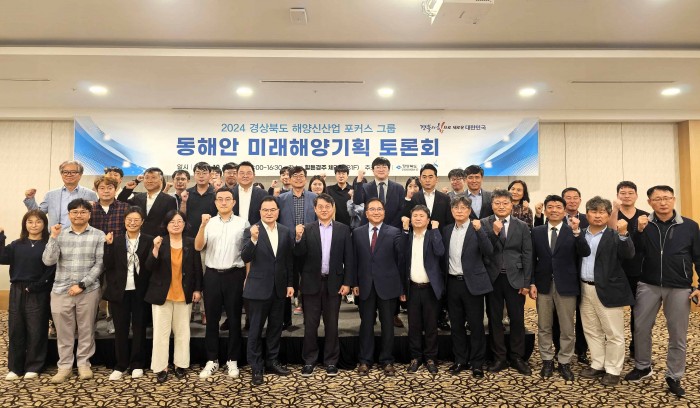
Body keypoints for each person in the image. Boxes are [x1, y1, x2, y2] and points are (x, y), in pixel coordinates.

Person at [624, 185, 700, 397]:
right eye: (657, 199)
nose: (663, 202)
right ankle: (643, 367)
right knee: (640, 328)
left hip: (679, 286)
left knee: (677, 334)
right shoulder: (642, 223)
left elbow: (698, 256)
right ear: (649, 203)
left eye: (667, 198)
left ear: (674, 199)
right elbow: (632, 252)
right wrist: (638, 231)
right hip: (648, 284)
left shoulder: (690, 226)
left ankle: (674, 375)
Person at [42, 198, 106, 383]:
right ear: (69, 214)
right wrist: (53, 237)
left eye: (83, 212)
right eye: (75, 212)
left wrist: (82, 284)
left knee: (87, 328)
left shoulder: (98, 235)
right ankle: (64, 367)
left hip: (88, 290)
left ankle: (84, 364)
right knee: (63, 331)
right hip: (61, 289)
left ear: (89, 214)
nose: (79, 215)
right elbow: (48, 261)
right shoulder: (59, 234)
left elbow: (100, 264)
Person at [530, 195, 590, 381]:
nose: (554, 210)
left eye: (558, 207)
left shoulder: (573, 230)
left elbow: (585, 252)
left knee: (567, 327)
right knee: (544, 326)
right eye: (550, 207)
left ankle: (565, 361)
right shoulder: (537, 231)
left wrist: (577, 232)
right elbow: (531, 259)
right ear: (545, 210)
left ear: (564, 211)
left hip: (567, 285)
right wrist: (532, 282)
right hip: (543, 285)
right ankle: (547, 360)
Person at [294, 193, 354, 377]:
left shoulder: (343, 229)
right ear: (315, 209)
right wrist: (298, 238)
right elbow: (298, 256)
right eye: (320, 206)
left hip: (334, 284)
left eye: (327, 206)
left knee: (332, 324)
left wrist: (347, 283)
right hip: (311, 283)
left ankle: (331, 361)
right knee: (310, 325)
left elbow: (349, 258)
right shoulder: (307, 229)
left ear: (333, 208)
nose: (324, 209)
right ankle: (309, 360)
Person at [578, 196, 635, 386]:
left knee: (613, 333)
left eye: (602, 212)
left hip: (609, 289)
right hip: (584, 288)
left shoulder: (615, 234)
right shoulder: (579, 234)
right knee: (591, 330)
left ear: (609, 215)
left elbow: (628, 254)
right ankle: (598, 364)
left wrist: (624, 234)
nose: (597, 215)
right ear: (587, 214)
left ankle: (613, 369)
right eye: (593, 211)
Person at [195, 187, 249, 380]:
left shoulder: (243, 223)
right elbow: (198, 246)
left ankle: (232, 359)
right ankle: (212, 359)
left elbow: (247, 253)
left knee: (234, 319)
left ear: (234, 202)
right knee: (211, 319)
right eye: (220, 199)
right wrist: (202, 226)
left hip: (235, 275)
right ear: (215, 202)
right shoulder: (208, 223)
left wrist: (247, 277)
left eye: (227, 199)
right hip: (212, 275)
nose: (224, 202)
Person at [241, 197, 295, 386]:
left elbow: (288, 261)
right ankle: (256, 366)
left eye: (272, 210)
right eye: (265, 210)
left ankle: (272, 361)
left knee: (275, 328)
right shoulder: (252, 230)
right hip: (257, 289)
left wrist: (290, 284)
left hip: (279, 289)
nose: (269, 213)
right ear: (260, 212)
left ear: (278, 212)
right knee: (255, 329)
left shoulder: (285, 231)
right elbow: (245, 256)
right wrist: (253, 239)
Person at [145, 210, 203, 383]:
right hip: (162, 294)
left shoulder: (191, 242)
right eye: (172, 222)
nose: (176, 224)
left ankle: (180, 364)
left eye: (179, 221)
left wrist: (198, 289)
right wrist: (155, 248)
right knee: (160, 333)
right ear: (166, 224)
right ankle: (161, 367)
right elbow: (149, 267)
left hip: (184, 292)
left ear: (185, 224)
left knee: (183, 331)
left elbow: (197, 268)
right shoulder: (159, 241)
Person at [480, 189, 533, 376]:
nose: (501, 206)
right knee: (494, 320)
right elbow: (483, 250)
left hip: (515, 278)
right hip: (492, 278)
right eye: (497, 203)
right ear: (492, 205)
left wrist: (526, 282)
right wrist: (494, 233)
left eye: (505, 203)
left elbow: (527, 254)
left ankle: (517, 357)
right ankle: (499, 357)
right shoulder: (484, 223)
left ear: (512, 205)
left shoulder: (522, 225)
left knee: (517, 319)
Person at [0, 210, 55, 380]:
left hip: (38, 290)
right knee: (16, 329)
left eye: (38, 222)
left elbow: (51, 270)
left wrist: (36, 287)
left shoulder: (48, 244)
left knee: (36, 328)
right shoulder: (17, 244)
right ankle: (15, 368)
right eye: (30, 222)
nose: (34, 225)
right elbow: (2, 257)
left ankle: (34, 366)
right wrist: (1, 236)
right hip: (17, 289)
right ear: (25, 224)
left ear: (44, 224)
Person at [442, 196, 493, 378]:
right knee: (456, 325)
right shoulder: (447, 230)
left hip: (473, 284)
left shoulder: (477, 227)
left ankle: (477, 363)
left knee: (476, 325)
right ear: (451, 211)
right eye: (456, 207)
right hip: (452, 283)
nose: (459, 211)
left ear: (469, 211)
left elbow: (489, 251)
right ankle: (460, 360)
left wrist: (479, 231)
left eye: (463, 208)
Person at [353, 198, 404, 376]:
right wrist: (354, 283)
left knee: (388, 325)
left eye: (379, 209)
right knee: (366, 324)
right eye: (372, 209)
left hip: (388, 286)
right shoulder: (357, 233)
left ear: (384, 212)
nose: (376, 212)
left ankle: (387, 360)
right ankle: (365, 360)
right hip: (365, 285)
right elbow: (354, 260)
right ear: (366, 213)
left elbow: (400, 260)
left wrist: (401, 287)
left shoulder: (395, 232)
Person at [102, 207, 154, 380]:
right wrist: (108, 246)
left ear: (142, 222)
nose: (132, 223)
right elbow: (108, 265)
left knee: (139, 328)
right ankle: (121, 365)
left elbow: (150, 267)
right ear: (124, 221)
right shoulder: (116, 241)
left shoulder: (149, 240)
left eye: (136, 220)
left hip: (140, 291)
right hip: (119, 292)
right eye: (129, 220)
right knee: (120, 329)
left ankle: (137, 364)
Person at [402, 205, 444, 375]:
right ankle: (415, 358)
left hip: (430, 289)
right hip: (412, 288)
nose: (418, 218)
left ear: (428, 220)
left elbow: (440, 251)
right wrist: (405, 230)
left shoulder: (433, 235)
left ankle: (431, 358)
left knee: (431, 325)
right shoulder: (408, 237)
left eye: (421, 216)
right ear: (411, 219)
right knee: (414, 325)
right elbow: (400, 255)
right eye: (415, 216)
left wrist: (435, 230)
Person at [611, 180, 648, 357]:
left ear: (636, 195)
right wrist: (614, 211)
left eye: (630, 193)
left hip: (638, 272)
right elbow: (610, 238)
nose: (626, 196)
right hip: (616, 271)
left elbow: (644, 245)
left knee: (638, 313)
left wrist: (640, 230)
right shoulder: (612, 214)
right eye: (623, 193)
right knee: (612, 313)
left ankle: (636, 348)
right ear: (617, 195)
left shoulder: (645, 216)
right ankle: (614, 349)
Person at [278, 166, 317, 327]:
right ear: (290, 178)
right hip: (287, 246)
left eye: (301, 176)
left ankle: (309, 319)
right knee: (287, 282)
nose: (298, 178)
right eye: (295, 176)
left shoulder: (314, 197)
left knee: (308, 284)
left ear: (306, 179)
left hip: (309, 246)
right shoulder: (281, 198)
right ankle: (286, 320)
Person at [24, 160, 98, 227]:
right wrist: (30, 199)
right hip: (56, 234)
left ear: (80, 175)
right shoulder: (50, 195)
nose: (69, 175)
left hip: (82, 235)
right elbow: (38, 215)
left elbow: (97, 217)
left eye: (73, 172)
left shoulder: (90, 194)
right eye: (65, 172)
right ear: (61, 174)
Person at [117, 167, 178, 237]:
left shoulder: (170, 200)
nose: (149, 181)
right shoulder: (138, 197)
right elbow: (120, 202)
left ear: (161, 180)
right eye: (147, 178)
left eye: (153, 177)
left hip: (158, 239)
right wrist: (129, 188)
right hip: (138, 238)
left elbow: (171, 222)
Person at [353, 157, 406, 228]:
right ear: (373, 170)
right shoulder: (365, 187)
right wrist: (359, 180)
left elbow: (401, 210)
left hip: (393, 228)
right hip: (370, 227)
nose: (381, 170)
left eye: (384, 167)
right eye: (378, 167)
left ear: (389, 170)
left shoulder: (399, 188)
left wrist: (390, 228)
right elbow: (357, 201)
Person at [402, 164, 454, 229]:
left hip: (440, 234)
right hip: (419, 234)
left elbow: (449, 221)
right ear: (420, 179)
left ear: (436, 179)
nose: (427, 180)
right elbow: (409, 219)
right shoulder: (414, 197)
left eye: (430, 177)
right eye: (424, 177)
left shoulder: (445, 198)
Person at [182, 162, 218, 238]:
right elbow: (182, 215)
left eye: (204, 173)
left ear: (210, 175)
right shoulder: (187, 193)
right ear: (194, 175)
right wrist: (184, 202)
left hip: (211, 235)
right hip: (190, 236)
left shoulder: (216, 193)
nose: (201, 176)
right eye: (198, 173)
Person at [232, 161, 268, 225]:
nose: (245, 176)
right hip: (233, 229)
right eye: (242, 173)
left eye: (248, 173)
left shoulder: (263, 194)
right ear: (236, 175)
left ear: (254, 175)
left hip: (256, 229)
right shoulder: (230, 193)